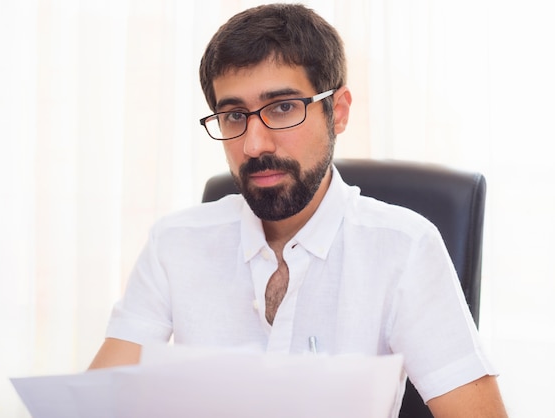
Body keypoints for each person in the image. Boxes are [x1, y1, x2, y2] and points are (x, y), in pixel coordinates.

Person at [90, 3, 507, 417]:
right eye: (234, 115)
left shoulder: (404, 249)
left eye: (283, 107)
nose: (254, 145)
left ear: (337, 112)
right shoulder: (175, 244)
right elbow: (95, 402)